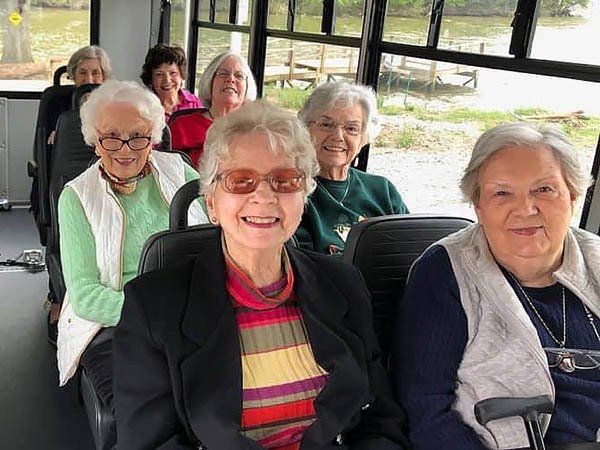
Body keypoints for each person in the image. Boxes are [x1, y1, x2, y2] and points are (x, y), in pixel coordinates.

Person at [113, 100, 409, 450]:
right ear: (211, 203)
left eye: (285, 180)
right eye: (241, 181)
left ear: (303, 196)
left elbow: (379, 418)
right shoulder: (153, 306)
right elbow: (149, 443)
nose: (265, 196)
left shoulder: (343, 283)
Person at [392, 123, 600, 449]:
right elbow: (425, 406)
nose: (525, 209)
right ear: (479, 206)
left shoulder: (597, 259)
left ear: (572, 196)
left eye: (543, 190)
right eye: (502, 193)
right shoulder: (445, 272)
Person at [56, 80, 207, 446]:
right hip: (117, 325)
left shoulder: (183, 173)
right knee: (150, 417)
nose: (125, 149)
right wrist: (161, 316)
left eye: (138, 136)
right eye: (111, 137)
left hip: (196, 314)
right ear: (94, 138)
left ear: (154, 136)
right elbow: (87, 296)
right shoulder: (76, 198)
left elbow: (216, 242)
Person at [45, 45, 112, 344]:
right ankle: (58, 298)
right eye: (83, 72)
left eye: (96, 72)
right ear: (71, 76)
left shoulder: (116, 106)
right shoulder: (56, 106)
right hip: (62, 181)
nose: (90, 78)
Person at [295, 82, 409, 255]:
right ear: (305, 129)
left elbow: (411, 248)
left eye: (351, 128)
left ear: (364, 137)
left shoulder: (382, 190)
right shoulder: (292, 191)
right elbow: (304, 266)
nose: (338, 136)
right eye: (326, 125)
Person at [168, 51, 257, 168]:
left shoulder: (256, 130)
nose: (230, 79)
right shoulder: (182, 126)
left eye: (239, 75)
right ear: (210, 81)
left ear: (247, 87)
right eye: (223, 73)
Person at [140, 44, 202, 121]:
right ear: (151, 77)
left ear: (181, 74)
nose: (167, 80)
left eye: (173, 73)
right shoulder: (143, 106)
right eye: (159, 74)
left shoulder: (193, 103)